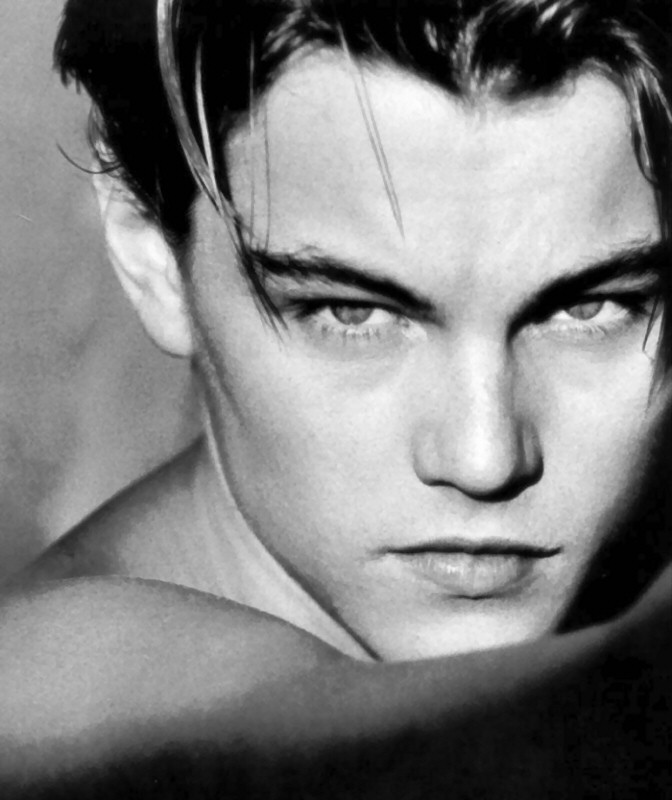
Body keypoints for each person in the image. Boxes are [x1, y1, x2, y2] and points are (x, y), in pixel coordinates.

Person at [1, 0, 670, 795]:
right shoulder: (52, 698)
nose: (484, 459)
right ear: (151, 254)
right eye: (352, 314)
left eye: (590, 308)